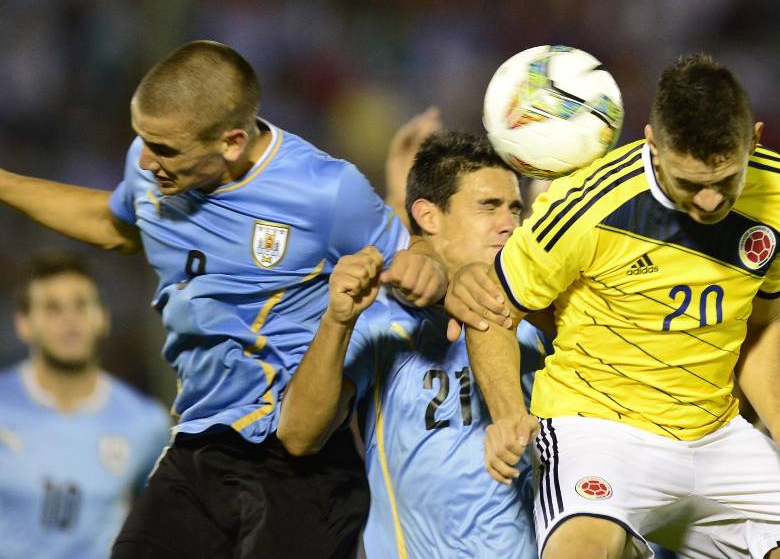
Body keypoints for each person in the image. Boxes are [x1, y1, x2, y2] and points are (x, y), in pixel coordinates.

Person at [0, 40, 462, 558]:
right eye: (142, 141)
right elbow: (117, 225)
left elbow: (410, 261)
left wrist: (432, 272)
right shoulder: (152, 162)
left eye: (166, 149)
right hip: (199, 443)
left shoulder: (324, 191)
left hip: (297, 465)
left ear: (232, 141)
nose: (147, 161)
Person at [446, 53, 780, 557]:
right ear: (652, 144)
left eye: (725, 180)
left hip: (716, 432)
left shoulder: (774, 195)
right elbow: (492, 310)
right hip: (599, 429)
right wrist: (509, 415)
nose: (710, 201)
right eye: (689, 183)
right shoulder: (586, 205)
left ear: (754, 140)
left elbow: (761, 327)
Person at [277, 131, 552, 558]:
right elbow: (298, 436)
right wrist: (337, 321)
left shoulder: (536, 314)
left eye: (515, 208)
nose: (509, 224)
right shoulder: (381, 317)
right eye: (488, 206)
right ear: (428, 215)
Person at [0, 252, 170, 559]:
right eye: (52, 308)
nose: (70, 320)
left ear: (103, 317)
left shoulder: (145, 423)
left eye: (82, 305)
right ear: (24, 323)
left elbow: (162, 524)